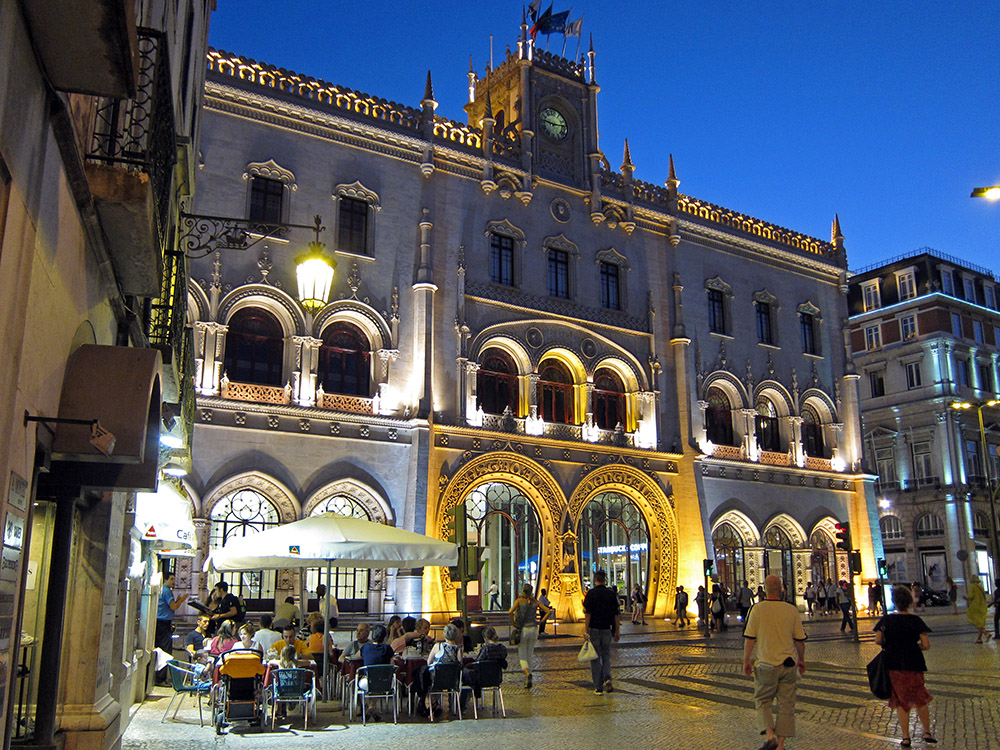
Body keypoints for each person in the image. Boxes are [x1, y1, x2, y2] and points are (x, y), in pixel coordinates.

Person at [742, 575, 807, 750]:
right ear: (781, 589)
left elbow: (750, 639)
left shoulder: (757, 609)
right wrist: (801, 659)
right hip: (788, 665)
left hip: (765, 664)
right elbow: (799, 640)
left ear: (764, 590)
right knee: (786, 705)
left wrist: (746, 660)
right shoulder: (791, 610)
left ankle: (769, 735)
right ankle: (780, 744)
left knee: (762, 701)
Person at [874, 585, 935, 746]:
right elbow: (926, 644)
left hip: (894, 663)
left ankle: (906, 737)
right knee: (920, 698)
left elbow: (878, 640)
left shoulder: (886, 620)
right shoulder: (916, 621)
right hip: (914, 662)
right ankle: (927, 732)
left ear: (895, 602)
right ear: (909, 602)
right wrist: (915, 646)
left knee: (901, 700)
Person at [583, 570, 620, 694]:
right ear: (605, 579)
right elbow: (616, 614)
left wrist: (586, 630)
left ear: (595, 580)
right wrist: (617, 631)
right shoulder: (610, 594)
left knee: (595, 658)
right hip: (606, 629)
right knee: (606, 656)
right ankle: (607, 678)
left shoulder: (591, 594)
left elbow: (588, 614)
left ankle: (598, 687)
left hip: (594, 629)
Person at [416, 623, 463, 718]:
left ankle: (431, 703)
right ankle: (435, 704)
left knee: (424, 674)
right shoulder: (458, 649)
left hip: (436, 678)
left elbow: (429, 662)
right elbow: (460, 664)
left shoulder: (438, 646)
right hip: (452, 680)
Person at [509, 584, 550, 688]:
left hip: (523, 630)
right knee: (530, 655)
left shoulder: (519, 601)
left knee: (522, 655)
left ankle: (527, 674)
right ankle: (529, 678)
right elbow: (548, 611)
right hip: (534, 629)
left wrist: (513, 623)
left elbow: (510, 612)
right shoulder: (535, 602)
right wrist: (541, 621)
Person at [154, 572, 189, 684]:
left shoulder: (163, 590)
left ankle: (159, 677)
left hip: (160, 623)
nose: (174, 581)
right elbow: (173, 606)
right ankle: (160, 678)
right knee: (165, 651)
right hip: (164, 624)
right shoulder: (167, 591)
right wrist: (181, 600)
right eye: (171, 579)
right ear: (165, 580)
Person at [964, 577, 990, 643]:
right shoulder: (980, 587)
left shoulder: (972, 586)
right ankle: (979, 639)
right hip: (982, 606)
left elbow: (970, 596)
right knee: (980, 623)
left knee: (974, 622)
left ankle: (986, 633)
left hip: (975, 607)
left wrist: (965, 597)